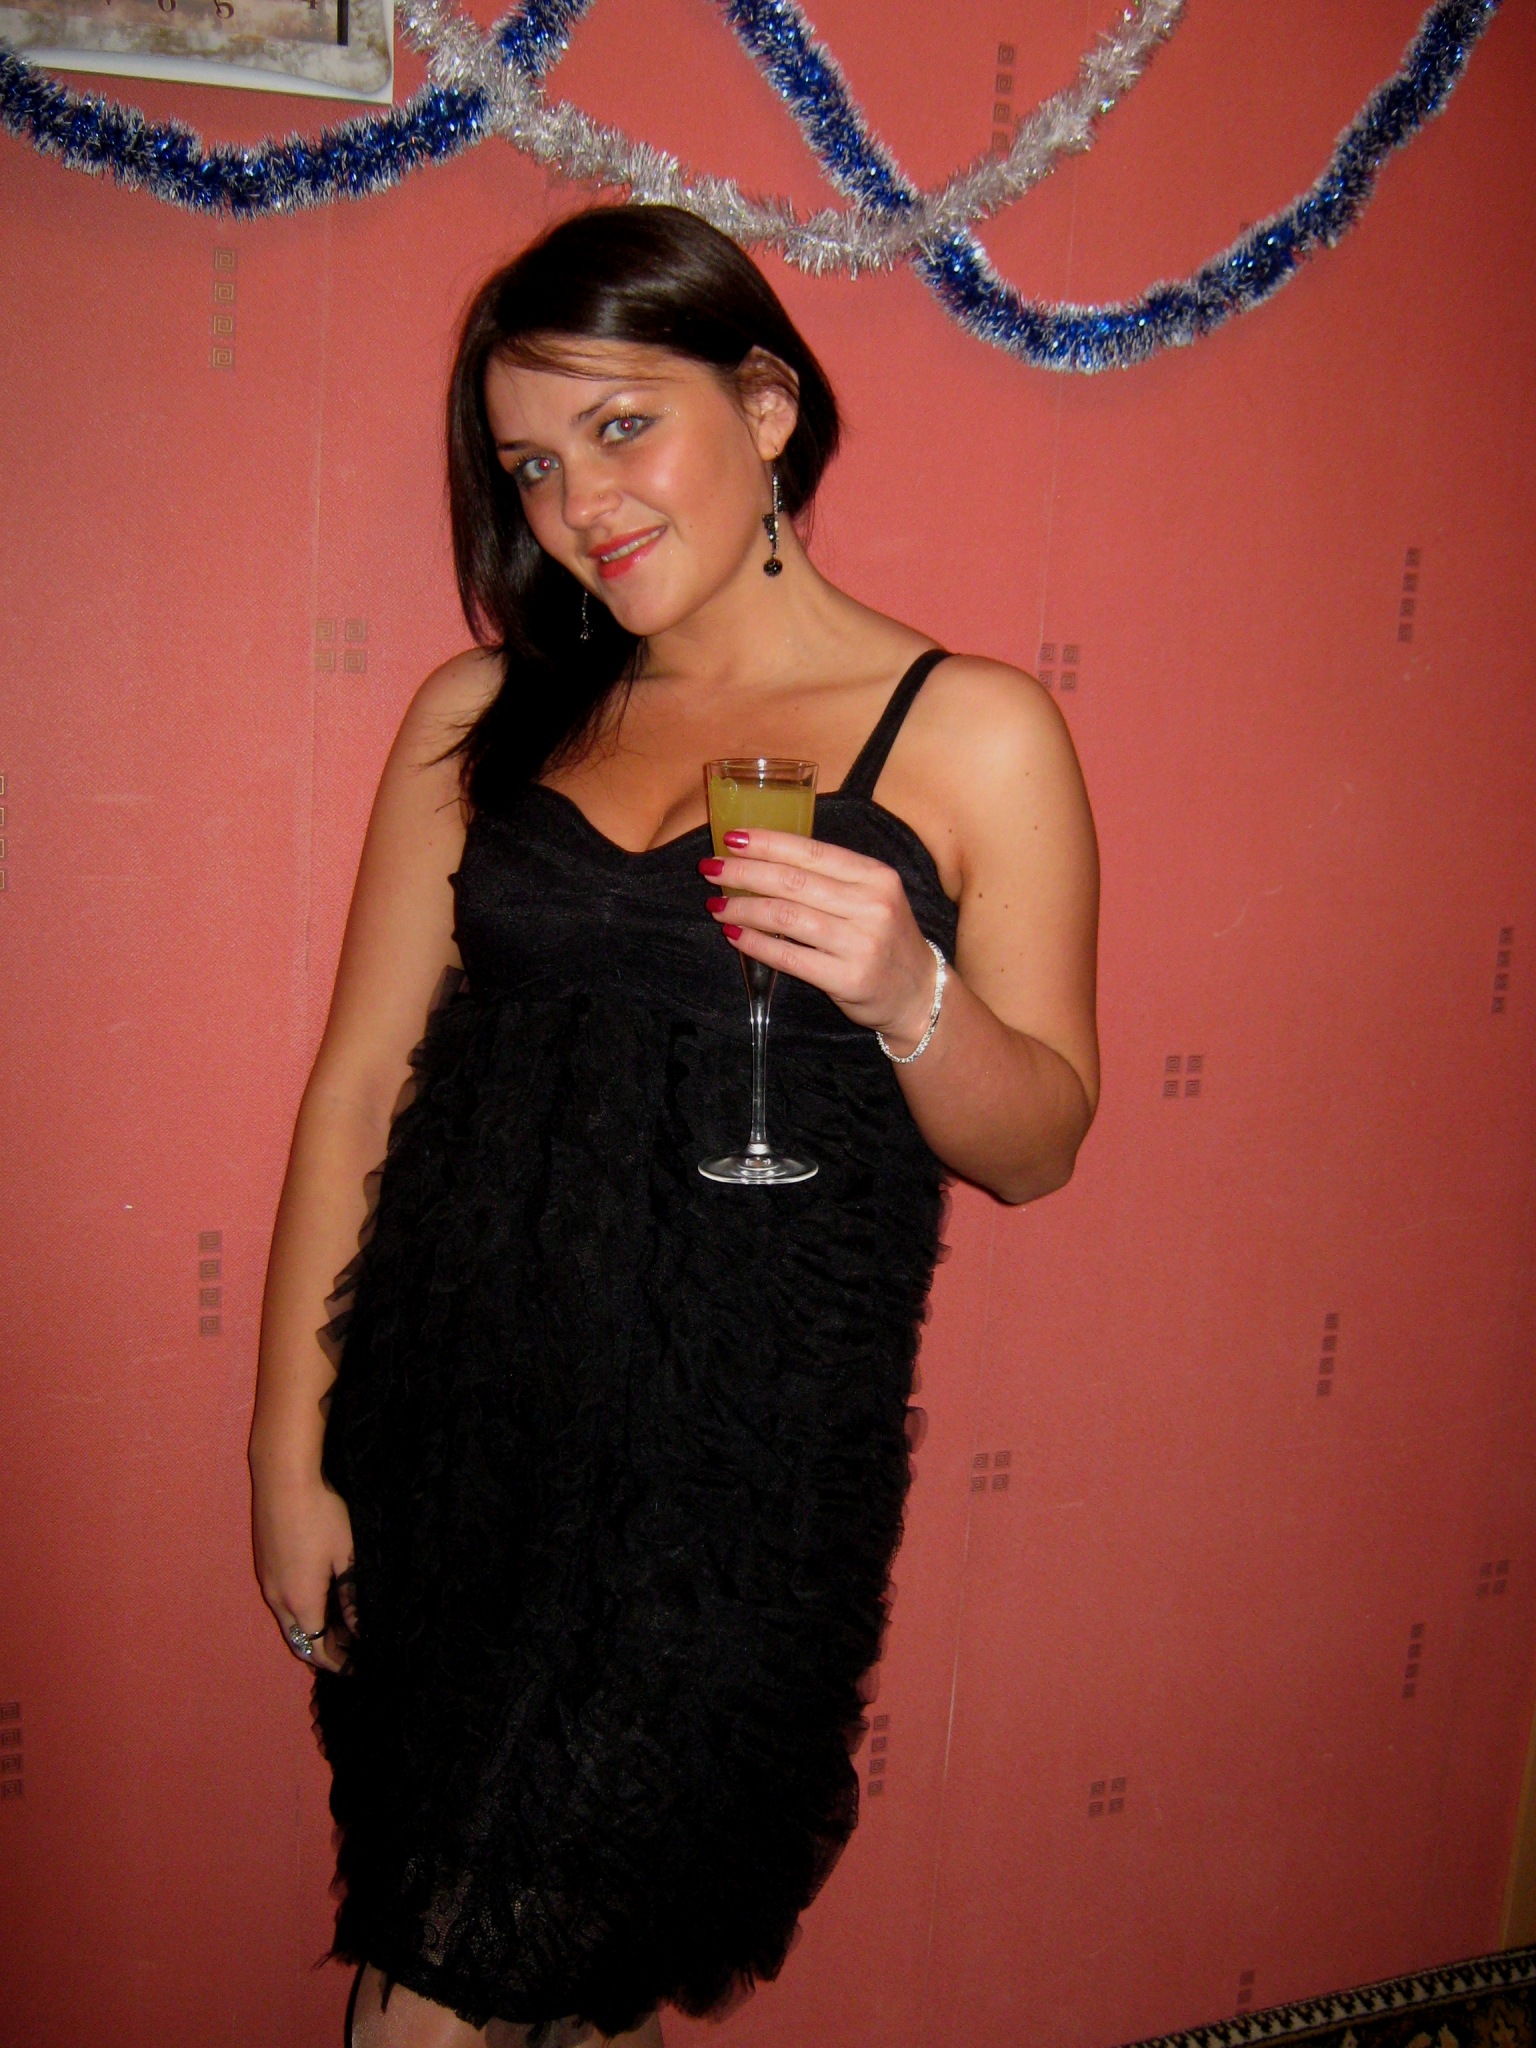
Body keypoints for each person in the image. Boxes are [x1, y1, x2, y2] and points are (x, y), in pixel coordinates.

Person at [248, 201, 1100, 2048]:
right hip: (456, 1438)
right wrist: (287, 1450)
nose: (580, 505)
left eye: (622, 427)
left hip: (728, 1476)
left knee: (460, 1979)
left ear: (767, 405)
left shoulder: (970, 736)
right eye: (532, 466)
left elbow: (1036, 1143)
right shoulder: (480, 714)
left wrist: (908, 991)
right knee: (548, 1977)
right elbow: (360, 1089)